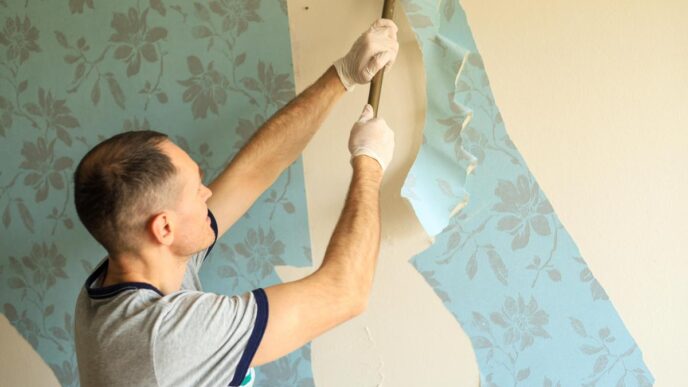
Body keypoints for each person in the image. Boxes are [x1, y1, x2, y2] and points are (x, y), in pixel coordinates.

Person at [73, 19, 399, 387]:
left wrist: (342, 74)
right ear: (163, 228)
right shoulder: (168, 337)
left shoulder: (120, 276)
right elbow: (345, 292)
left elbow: (252, 172)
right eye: (196, 189)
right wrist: (369, 166)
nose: (208, 193)